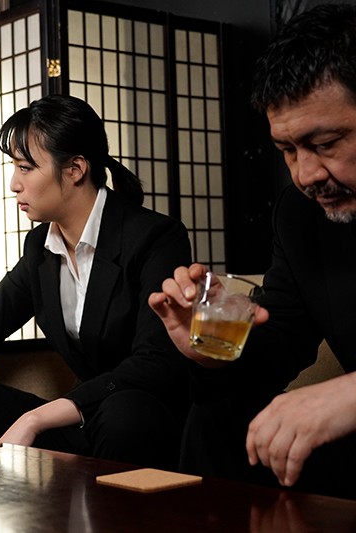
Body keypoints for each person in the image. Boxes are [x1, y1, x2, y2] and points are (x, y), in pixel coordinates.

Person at [0, 94, 192, 469]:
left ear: (75, 169)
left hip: (139, 418)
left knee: (124, 413)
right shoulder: (41, 247)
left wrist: (36, 418)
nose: (13, 184)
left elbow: (155, 363)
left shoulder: (154, 237)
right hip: (81, 427)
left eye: (25, 168)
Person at [148, 4, 356, 500]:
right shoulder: (300, 214)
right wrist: (214, 347)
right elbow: (281, 340)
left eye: (326, 143)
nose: (305, 175)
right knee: (218, 416)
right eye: (288, 150)